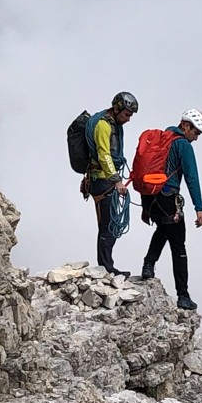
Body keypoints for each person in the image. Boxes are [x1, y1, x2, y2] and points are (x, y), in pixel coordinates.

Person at [140, 109, 202, 311]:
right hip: (168, 197)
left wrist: (145, 207)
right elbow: (191, 178)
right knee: (179, 246)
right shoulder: (182, 145)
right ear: (185, 125)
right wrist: (199, 208)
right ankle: (183, 295)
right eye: (195, 132)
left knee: (162, 230)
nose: (196, 138)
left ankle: (148, 265)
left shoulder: (162, 137)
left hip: (150, 196)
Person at [82, 91, 138, 276]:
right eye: (127, 114)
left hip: (104, 177)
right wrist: (117, 180)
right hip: (101, 179)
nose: (128, 119)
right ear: (117, 108)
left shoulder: (112, 123)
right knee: (108, 224)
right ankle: (106, 267)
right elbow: (103, 154)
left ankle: (107, 266)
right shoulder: (103, 125)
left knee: (110, 224)